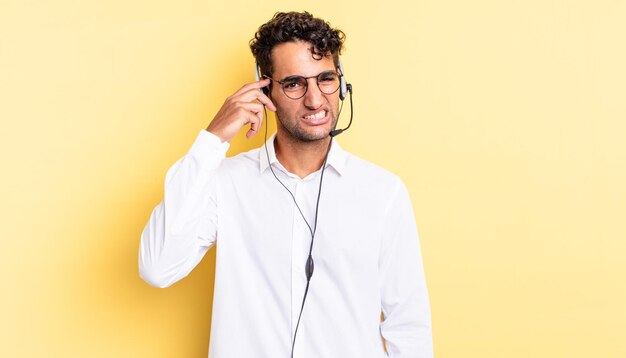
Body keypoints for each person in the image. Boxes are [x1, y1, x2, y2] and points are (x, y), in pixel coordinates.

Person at [139, 11, 433, 358]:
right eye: (294, 83)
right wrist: (212, 138)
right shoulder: (225, 184)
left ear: (341, 83)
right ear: (265, 89)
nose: (314, 99)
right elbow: (157, 267)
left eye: (325, 79)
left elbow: (408, 325)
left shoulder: (383, 192)